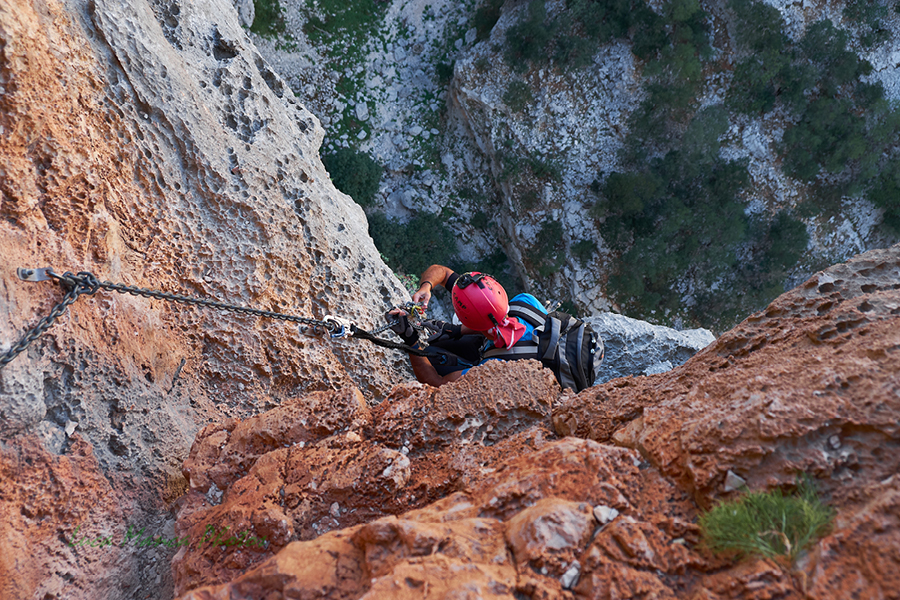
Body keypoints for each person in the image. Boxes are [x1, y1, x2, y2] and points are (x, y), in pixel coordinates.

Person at [388, 264, 548, 387]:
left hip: (514, 377)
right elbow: (441, 272)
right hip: (544, 351)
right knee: (440, 343)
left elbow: (438, 384)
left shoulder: (493, 369)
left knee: (429, 355)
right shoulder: (526, 302)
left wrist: (411, 342)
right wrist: (426, 287)